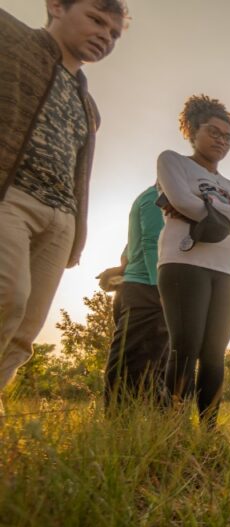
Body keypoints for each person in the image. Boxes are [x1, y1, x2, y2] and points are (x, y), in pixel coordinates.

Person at [0, 0, 127, 415]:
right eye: (95, 20)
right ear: (56, 6)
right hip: (11, 197)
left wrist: (76, 229)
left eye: (113, 33)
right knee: (7, 297)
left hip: (61, 218)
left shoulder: (89, 106)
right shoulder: (12, 39)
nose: (105, 37)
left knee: (25, 329)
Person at [156, 95, 230, 428]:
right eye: (213, 132)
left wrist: (211, 205)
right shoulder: (173, 161)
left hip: (227, 270)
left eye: (227, 136)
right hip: (183, 262)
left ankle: (209, 431)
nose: (221, 141)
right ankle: (172, 428)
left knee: (214, 354)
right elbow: (183, 202)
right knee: (185, 347)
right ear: (192, 130)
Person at [98, 184, 167, 409]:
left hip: (136, 287)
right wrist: (161, 289)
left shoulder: (157, 199)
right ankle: (120, 427)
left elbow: (131, 249)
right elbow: (151, 243)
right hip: (147, 290)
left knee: (155, 364)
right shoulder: (154, 199)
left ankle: (160, 426)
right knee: (133, 363)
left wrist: (120, 270)